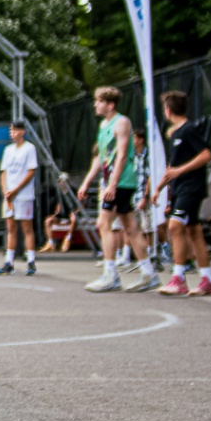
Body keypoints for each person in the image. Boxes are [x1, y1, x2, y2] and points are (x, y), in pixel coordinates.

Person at [77, 86, 159, 294]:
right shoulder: (103, 125)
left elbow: (122, 155)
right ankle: (149, 273)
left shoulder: (121, 122)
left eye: (99, 101)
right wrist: (86, 182)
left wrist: (112, 184)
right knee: (131, 227)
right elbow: (101, 157)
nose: (95, 104)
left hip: (121, 181)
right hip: (113, 182)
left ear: (110, 104)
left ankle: (110, 274)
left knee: (103, 223)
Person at [148, 90, 211, 297]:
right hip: (179, 188)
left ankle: (178, 278)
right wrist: (159, 187)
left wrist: (181, 171)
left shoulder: (188, 130)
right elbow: (173, 167)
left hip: (191, 187)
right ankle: (208, 280)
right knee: (194, 231)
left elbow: (206, 154)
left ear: (168, 110)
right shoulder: (175, 134)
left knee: (175, 226)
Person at [0, 120, 41, 276]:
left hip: (23, 195)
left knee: (26, 227)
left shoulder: (29, 148)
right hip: (9, 196)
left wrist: (16, 190)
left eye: (15, 130)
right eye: (11, 131)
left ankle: (31, 261)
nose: (12, 133)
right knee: (10, 227)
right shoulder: (8, 150)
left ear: (22, 132)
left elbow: (31, 171)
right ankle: (9, 262)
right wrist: (6, 191)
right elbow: (3, 172)